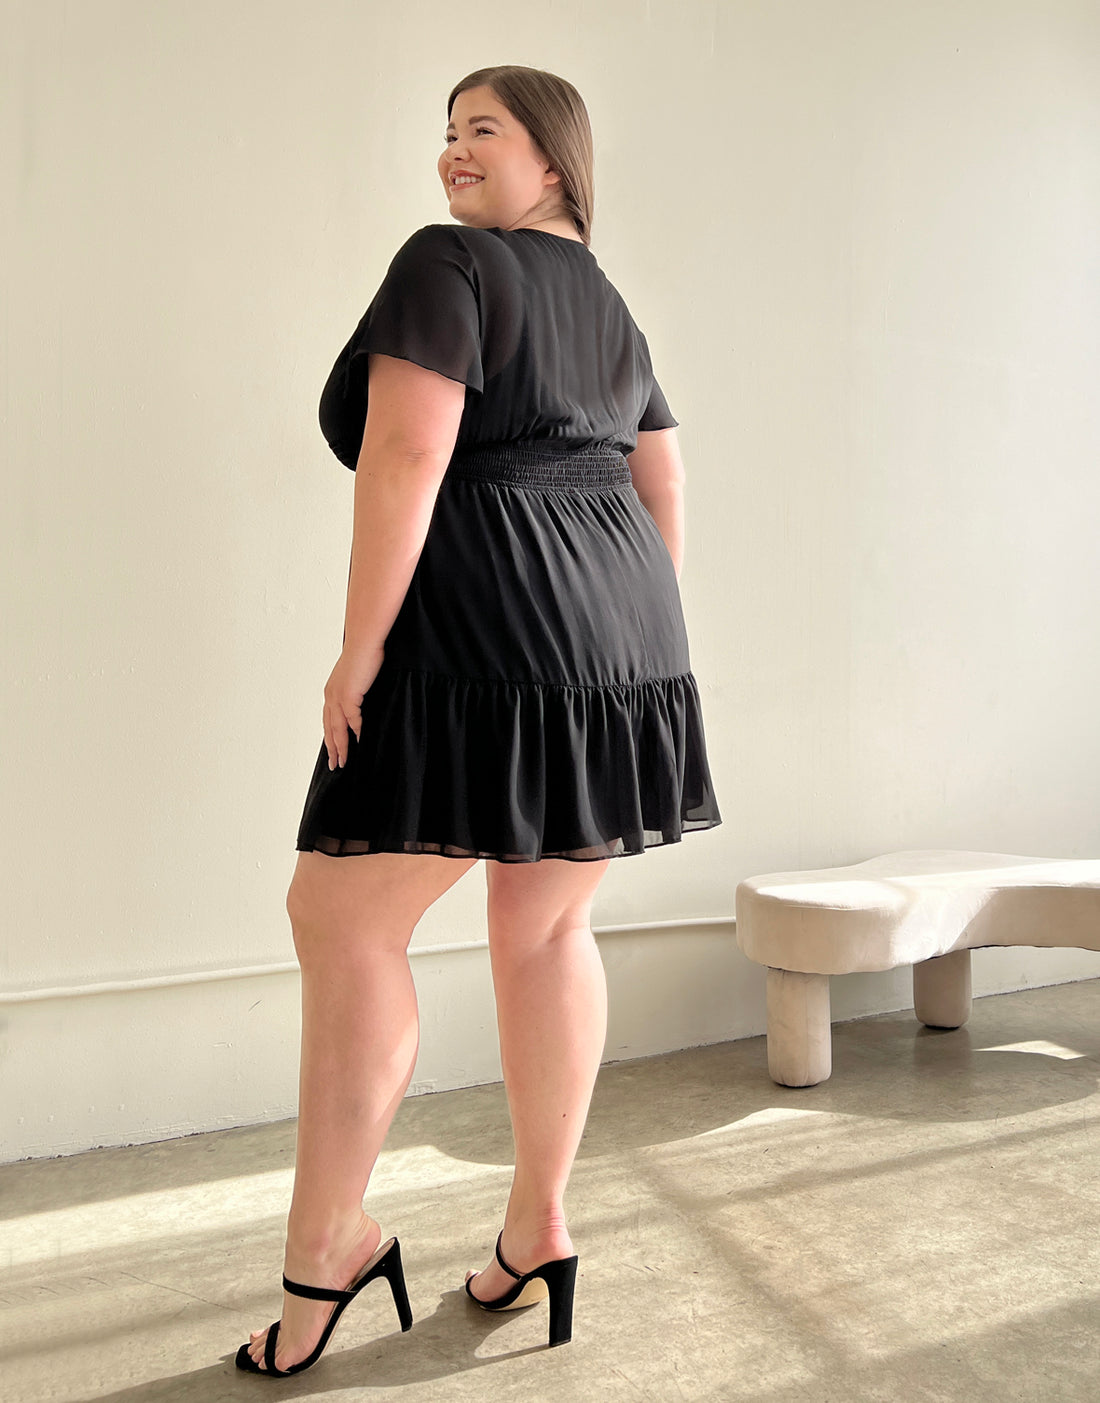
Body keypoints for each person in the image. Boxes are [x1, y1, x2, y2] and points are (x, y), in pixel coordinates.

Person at [236, 64, 722, 1377]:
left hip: (484, 630)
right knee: (547, 926)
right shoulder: (606, 301)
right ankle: (537, 1227)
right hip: (626, 636)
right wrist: (627, 639)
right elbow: (663, 479)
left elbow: (409, 453)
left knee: (343, 918)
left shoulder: (447, 263)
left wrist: (359, 651)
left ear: (552, 160)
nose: (452, 151)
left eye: (482, 129)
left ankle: (327, 1249)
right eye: (446, 132)